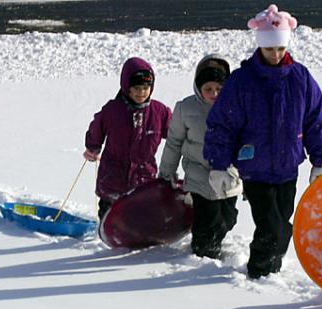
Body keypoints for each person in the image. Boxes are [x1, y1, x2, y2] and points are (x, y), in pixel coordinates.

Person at [203, 4, 322, 279]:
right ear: (260, 46)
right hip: (255, 167)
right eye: (269, 49)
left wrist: (321, 159)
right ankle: (259, 272)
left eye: (280, 49)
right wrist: (218, 163)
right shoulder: (242, 82)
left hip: (288, 167)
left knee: (283, 221)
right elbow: (222, 124)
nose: (275, 55)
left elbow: (315, 120)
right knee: (270, 225)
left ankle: (271, 268)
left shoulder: (300, 78)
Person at [158, 54, 242, 259]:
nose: (214, 94)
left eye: (219, 89)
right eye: (208, 89)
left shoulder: (236, 107)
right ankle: (203, 252)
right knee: (207, 218)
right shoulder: (185, 108)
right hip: (198, 174)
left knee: (228, 218)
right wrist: (167, 170)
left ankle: (214, 241)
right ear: (198, 88)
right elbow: (174, 142)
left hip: (228, 174)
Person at [84, 57, 172, 219]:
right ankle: (109, 235)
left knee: (140, 216)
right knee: (110, 215)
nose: (141, 93)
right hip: (113, 176)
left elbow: (175, 133)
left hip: (143, 176)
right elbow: (97, 127)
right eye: (137, 88)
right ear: (126, 87)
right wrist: (93, 146)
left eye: (146, 88)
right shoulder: (113, 110)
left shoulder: (159, 112)